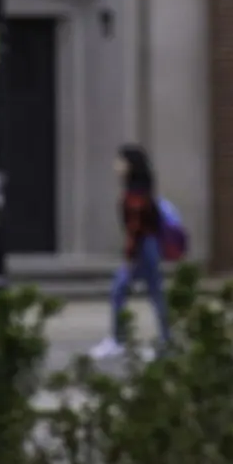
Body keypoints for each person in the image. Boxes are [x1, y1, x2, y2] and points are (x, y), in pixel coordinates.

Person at [89, 144, 171, 360]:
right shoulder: (141, 189)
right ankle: (164, 340)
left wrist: (129, 258)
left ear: (130, 165)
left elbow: (135, 230)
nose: (116, 166)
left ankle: (119, 340)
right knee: (154, 294)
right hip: (148, 247)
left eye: (120, 161)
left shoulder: (135, 195)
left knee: (121, 291)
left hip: (143, 248)